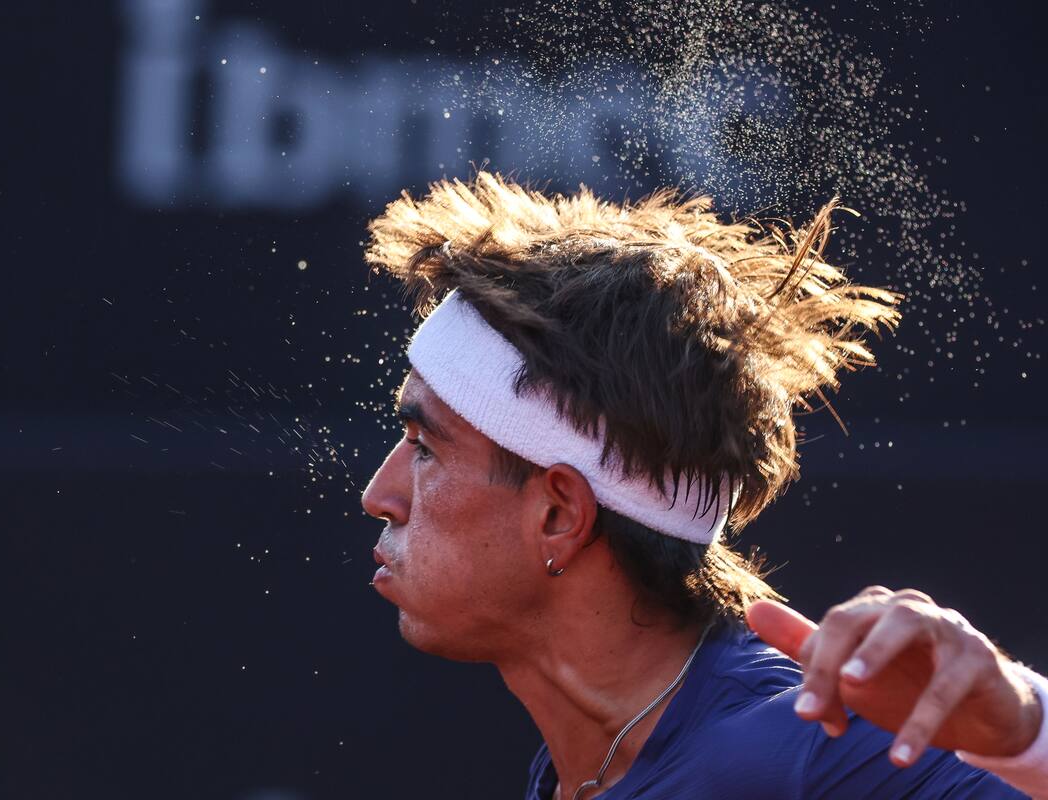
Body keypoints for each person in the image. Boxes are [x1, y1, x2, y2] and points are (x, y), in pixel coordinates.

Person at [360, 172, 1048, 799]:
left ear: (559, 515)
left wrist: (1025, 728)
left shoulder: (809, 755)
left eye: (425, 447)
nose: (379, 494)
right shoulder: (588, 768)